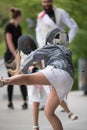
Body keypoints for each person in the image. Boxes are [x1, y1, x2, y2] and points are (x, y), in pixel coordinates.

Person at [0, 27, 77, 130]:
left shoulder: (49, 47)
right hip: (69, 80)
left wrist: (23, 71)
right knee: (49, 112)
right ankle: (68, 112)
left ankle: (3, 82)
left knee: (26, 78)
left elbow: (34, 55)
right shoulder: (68, 51)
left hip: (57, 72)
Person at [35, 0, 79, 116]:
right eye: (44, 2)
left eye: (48, 1)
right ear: (41, 2)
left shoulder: (61, 13)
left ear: (52, 1)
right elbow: (38, 32)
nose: (46, 4)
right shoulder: (40, 15)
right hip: (46, 49)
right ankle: (50, 102)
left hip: (60, 49)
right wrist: (41, 47)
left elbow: (74, 26)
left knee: (62, 73)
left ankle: (63, 103)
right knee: (47, 75)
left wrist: (67, 41)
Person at [4, 7, 28, 110]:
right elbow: (9, 42)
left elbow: (20, 41)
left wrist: (22, 53)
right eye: (21, 16)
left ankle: (25, 101)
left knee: (21, 77)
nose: (22, 18)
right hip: (10, 56)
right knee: (11, 78)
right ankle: (10, 102)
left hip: (18, 55)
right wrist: (15, 55)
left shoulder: (19, 27)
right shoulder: (8, 26)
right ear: (19, 16)